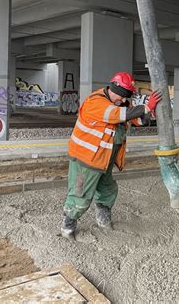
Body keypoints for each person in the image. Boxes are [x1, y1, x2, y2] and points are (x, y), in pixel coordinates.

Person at [61, 72, 162, 240]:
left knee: (108, 191)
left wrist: (148, 114)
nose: (124, 101)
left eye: (126, 98)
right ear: (113, 89)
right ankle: (67, 228)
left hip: (104, 160)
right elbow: (118, 115)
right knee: (80, 195)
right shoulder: (96, 102)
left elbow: (135, 119)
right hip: (86, 160)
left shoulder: (119, 104)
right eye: (122, 97)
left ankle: (103, 221)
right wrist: (145, 107)